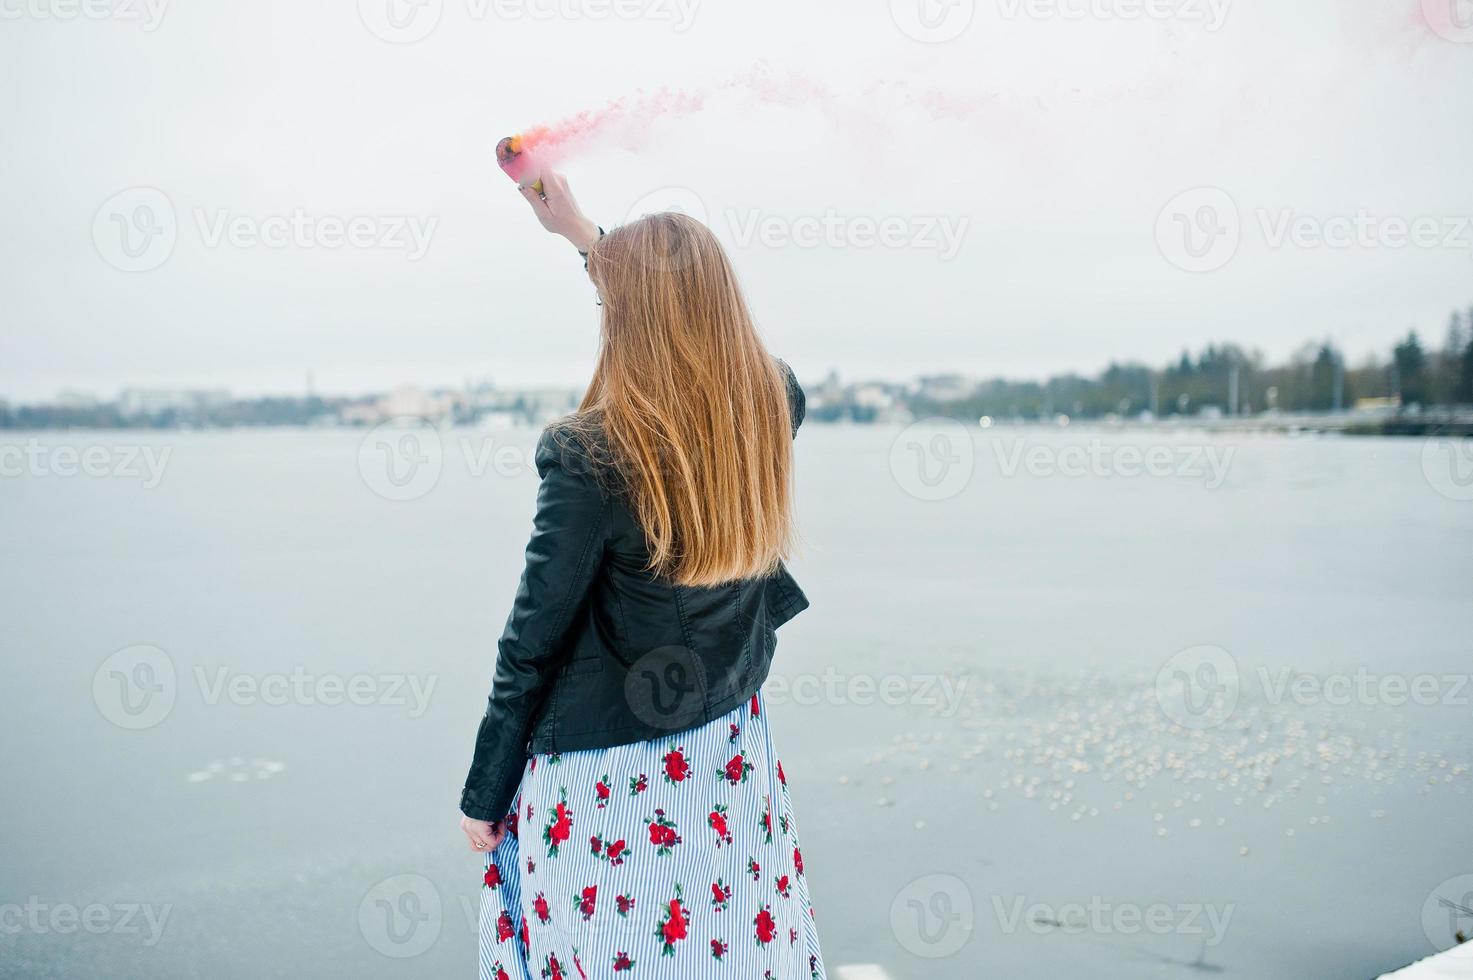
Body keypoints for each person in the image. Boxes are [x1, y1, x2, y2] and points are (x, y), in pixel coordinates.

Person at [458, 172, 826, 979]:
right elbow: (731, 357)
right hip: (725, 754)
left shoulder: (589, 452)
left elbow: (532, 640)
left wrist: (485, 792)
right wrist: (587, 239)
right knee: (724, 949)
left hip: (607, 779)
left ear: (628, 319)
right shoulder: (767, 404)